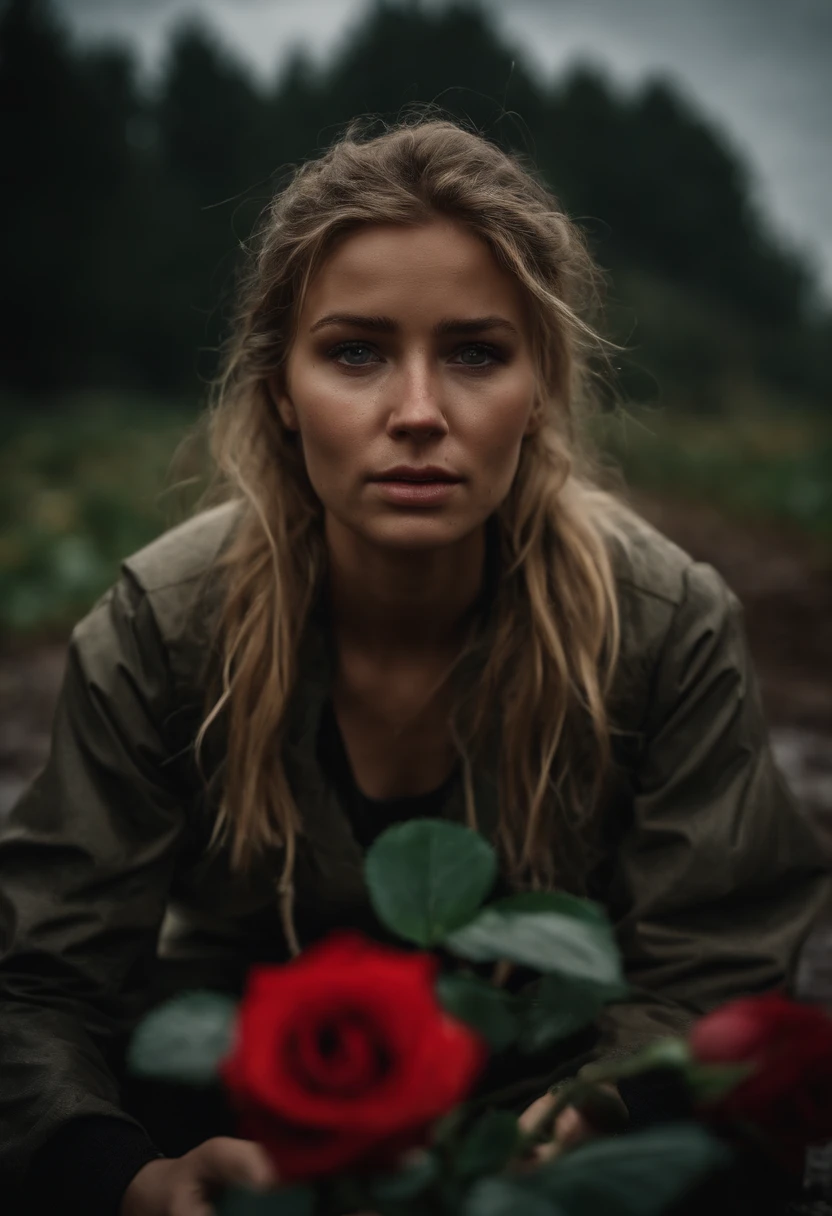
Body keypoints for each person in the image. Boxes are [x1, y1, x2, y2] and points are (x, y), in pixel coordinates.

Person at [0, 118, 827, 1216]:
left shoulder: (664, 621)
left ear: (538, 388)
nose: (419, 413)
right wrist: (129, 1179)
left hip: (552, 1123)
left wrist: (593, 1117)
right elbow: (42, 977)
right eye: (356, 352)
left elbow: (717, 960)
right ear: (280, 389)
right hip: (249, 1118)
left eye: (477, 352)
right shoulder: (165, 624)